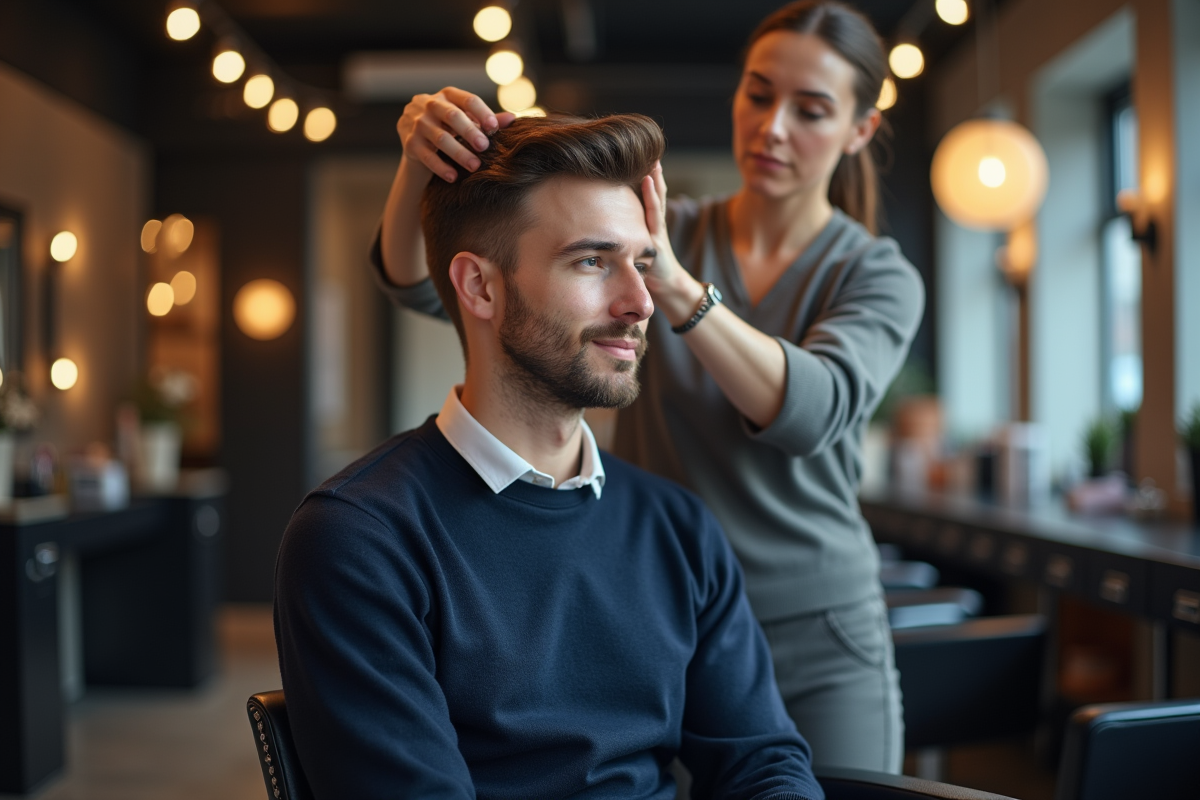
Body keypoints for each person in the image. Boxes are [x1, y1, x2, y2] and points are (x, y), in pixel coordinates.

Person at [371, 0, 923, 773]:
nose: (772, 128)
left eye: (812, 110)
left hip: (814, 627)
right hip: (660, 604)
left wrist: (670, 278)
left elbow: (809, 412)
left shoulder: (871, 272)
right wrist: (416, 167)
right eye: (759, 94)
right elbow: (422, 286)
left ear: (859, 130)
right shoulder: (666, 231)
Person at [275, 113, 824, 800]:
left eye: (642, 262)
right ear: (479, 287)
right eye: (592, 261)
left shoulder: (677, 527)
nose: (640, 303)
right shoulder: (359, 539)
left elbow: (762, 764)